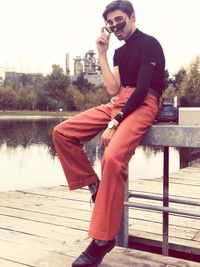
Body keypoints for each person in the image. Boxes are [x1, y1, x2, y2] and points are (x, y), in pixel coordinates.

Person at [52, 0, 165, 266]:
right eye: (110, 24)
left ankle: (102, 241)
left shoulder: (150, 44)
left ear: (132, 16)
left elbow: (141, 89)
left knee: (112, 158)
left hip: (145, 101)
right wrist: (102, 53)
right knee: (62, 132)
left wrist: (116, 123)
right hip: (119, 102)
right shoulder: (119, 53)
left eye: (119, 20)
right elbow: (114, 90)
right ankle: (95, 186)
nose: (115, 27)